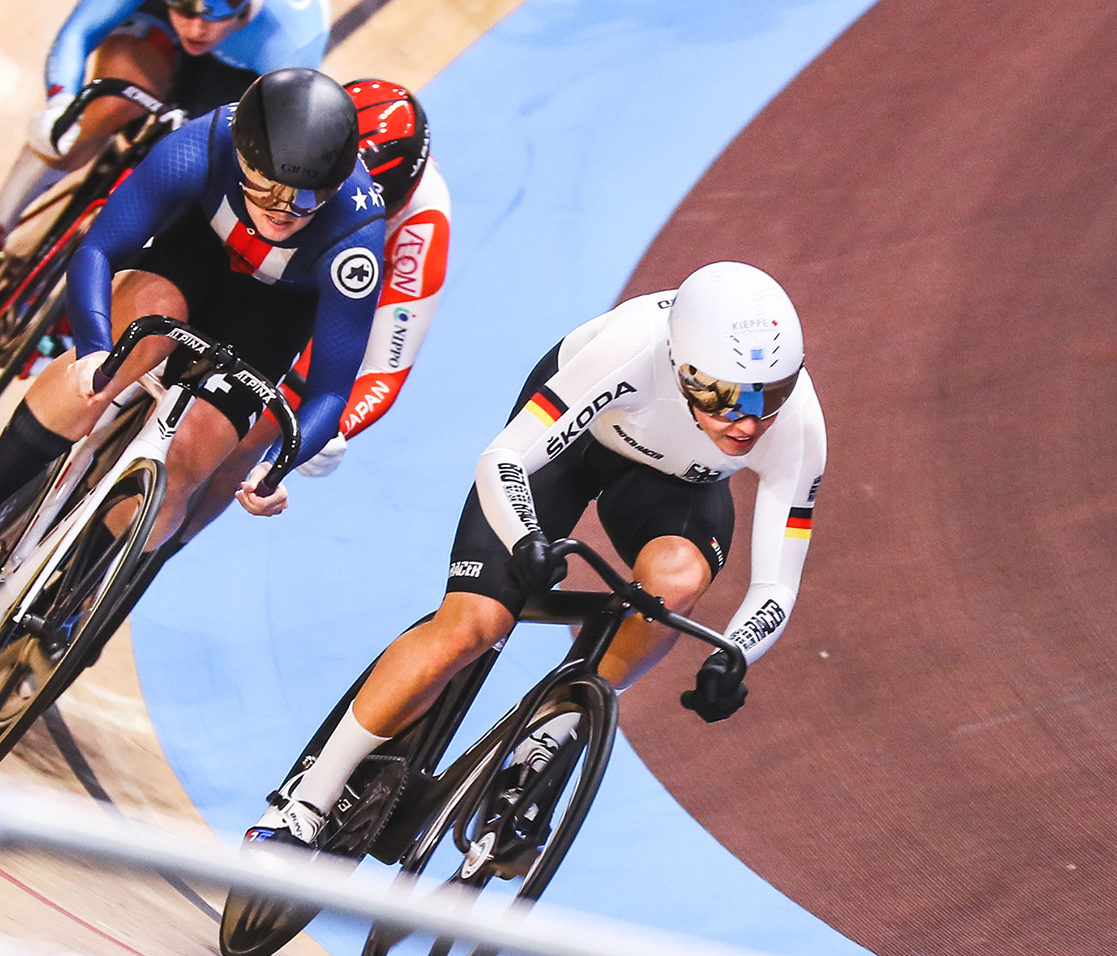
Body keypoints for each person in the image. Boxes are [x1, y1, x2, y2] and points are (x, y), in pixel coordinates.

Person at [247, 262, 827, 848]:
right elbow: (503, 461)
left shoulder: (798, 424)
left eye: (770, 396)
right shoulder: (629, 349)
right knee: (473, 624)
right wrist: (526, 537)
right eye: (725, 398)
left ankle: (548, 738)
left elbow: (776, 586)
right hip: (572, 446)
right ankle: (303, 804)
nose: (750, 422)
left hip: (676, 485)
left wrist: (737, 653)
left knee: (675, 586)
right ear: (681, 367)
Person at [0, 67, 387, 580]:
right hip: (195, 256)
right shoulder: (204, 144)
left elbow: (329, 391)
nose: (280, 212)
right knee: (104, 371)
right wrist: (96, 347)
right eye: (262, 186)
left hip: (272, 314)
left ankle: (77, 589)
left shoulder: (356, 239)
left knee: (187, 457)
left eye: (303, 198)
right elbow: (99, 249)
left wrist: (278, 467)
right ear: (241, 157)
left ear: (336, 186)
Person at [0, 0, 331, 293]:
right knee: (102, 106)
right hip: (155, 24)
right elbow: (79, 32)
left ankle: (83, 300)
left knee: (190, 192)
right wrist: (61, 103)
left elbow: (277, 148)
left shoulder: (293, 36)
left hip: (240, 73)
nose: (195, 28)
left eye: (212, 14)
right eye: (184, 5)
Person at [167, 78, 448, 546]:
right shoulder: (300, 133)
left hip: (323, 294)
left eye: (385, 207)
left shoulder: (424, 225)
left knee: (252, 435)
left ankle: (152, 552)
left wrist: (336, 427)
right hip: (261, 238)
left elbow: (384, 367)